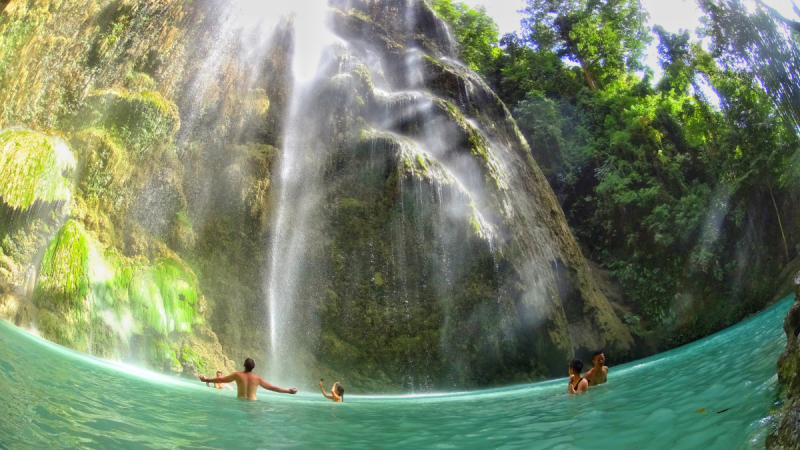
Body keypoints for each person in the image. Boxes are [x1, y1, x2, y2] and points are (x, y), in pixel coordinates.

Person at [198, 358, 297, 400]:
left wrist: (206, 380)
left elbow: (221, 380)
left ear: (244, 365)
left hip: (240, 403)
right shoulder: (257, 379)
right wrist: (289, 391)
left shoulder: (237, 375)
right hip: (253, 404)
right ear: (253, 367)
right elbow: (272, 388)